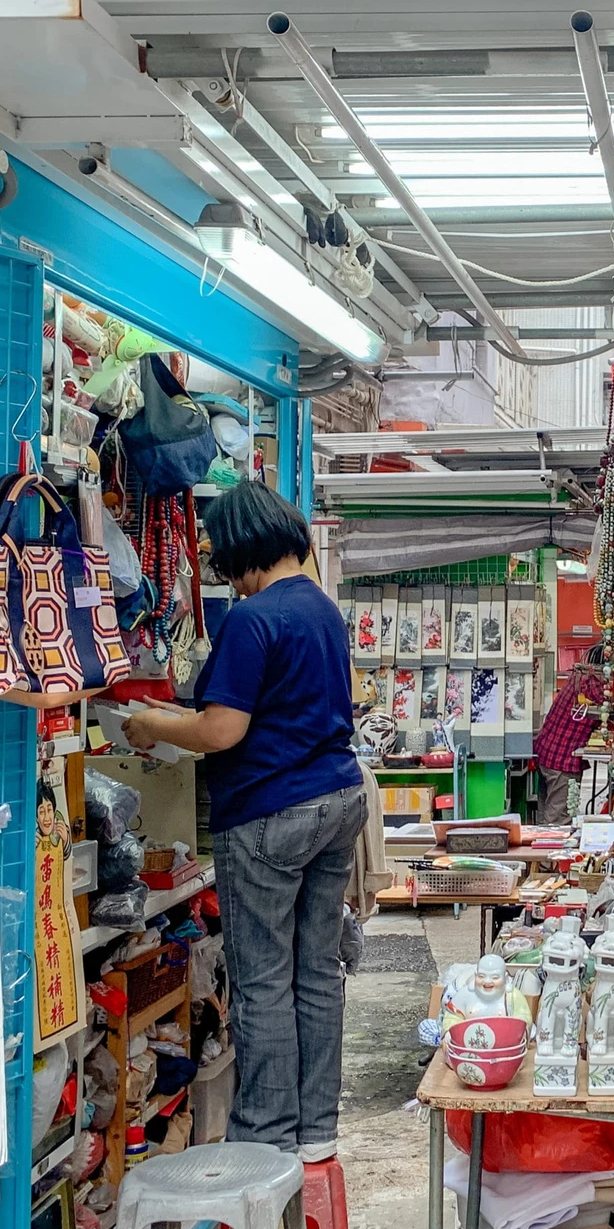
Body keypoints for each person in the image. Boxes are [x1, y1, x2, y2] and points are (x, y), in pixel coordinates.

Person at [121, 482, 365, 1164]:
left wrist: (150, 724)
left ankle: (266, 1135)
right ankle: (316, 1130)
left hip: (269, 812)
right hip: (336, 798)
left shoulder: (252, 619)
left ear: (239, 550)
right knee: (316, 971)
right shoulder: (321, 609)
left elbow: (222, 731)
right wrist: (180, 718)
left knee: (262, 981)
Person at [532, 644, 607, 824]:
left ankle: (542, 839)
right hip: (561, 759)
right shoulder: (593, 685)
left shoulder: (580, 677)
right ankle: (548, 842)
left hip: (547, 752)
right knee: (557, 822)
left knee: (546, 816)